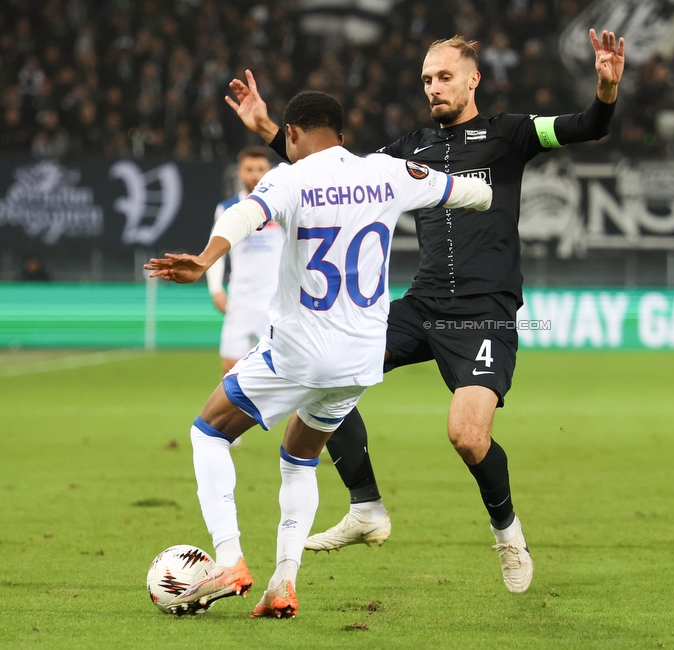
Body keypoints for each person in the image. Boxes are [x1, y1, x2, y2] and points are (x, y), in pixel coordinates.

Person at [224, 29, 625, 594]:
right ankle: (366, 508)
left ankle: (508, 532)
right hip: (423, 303)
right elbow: (331, 174)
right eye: (427, 80)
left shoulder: (510, 133)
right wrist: (270, 128)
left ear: (472, 78)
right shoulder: (408, 149)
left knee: (466, 435)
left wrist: (605, 89)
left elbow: (588, 126)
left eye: (444, 77)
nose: (434, 88)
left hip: (486, 311)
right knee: (326, 374)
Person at [144, 90, 492, 618]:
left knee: (208, 432)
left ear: (290, 135)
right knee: (299, 457)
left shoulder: (290, 178)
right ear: (343, 136)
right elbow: (476, 194)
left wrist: (205, 258)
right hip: (360, 358)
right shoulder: (389, 172)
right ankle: (283, 583)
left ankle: (230, 558)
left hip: (300, 349)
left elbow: (243, 214)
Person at [206, 147, 283, 373]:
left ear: (269, 172)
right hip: (239, 300)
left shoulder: (280, 207)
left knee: (281, 373)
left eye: (260, 169)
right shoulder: (228, 208)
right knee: (231, 370)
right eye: (249, 169)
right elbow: (215, 250)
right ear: (239, 173)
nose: (255, 175)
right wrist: (215, 288)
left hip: (275, 301)